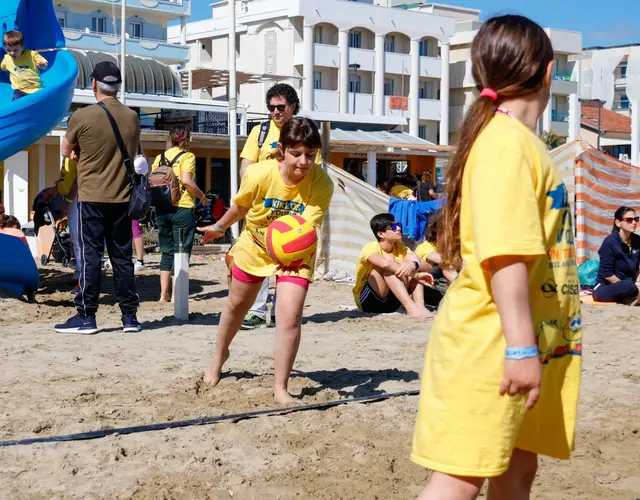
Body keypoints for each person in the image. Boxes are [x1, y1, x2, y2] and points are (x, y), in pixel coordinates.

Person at [411, 15, 582, 500]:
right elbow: (505, 254)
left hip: (526, 341)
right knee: (460, 480)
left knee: (516, 470)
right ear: (548, 73)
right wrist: (522, 348)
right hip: (494, 343)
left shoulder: (521, 144)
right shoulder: (504, 145)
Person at [197, 117, 334, 404]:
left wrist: (289, 253)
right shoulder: (259, 174)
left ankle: (280, 387)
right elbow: (241, 208)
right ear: (282, 151)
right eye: (297, 153)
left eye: (310, 155)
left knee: (289, 315)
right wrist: (219, 227)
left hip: (296, 252)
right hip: (256, 245)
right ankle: (218, 356)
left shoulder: (322, 183)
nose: (304, 161)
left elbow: (301, 231)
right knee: (236, 305)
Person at [54, 61, 142, 335]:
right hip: (123, 198)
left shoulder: (82, 116)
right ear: (118, 87)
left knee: (90, 256)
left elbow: (64, 150)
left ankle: (87, 317)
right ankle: (129, 318)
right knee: (122, 258)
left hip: (91, 197)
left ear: (94, 84)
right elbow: (135, 152)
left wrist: (80, 152)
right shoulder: (132, 116)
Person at [235, 83, 302, 330]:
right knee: (257, 258)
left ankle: (280, 312)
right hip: (261, 209)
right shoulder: (260, 132)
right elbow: (246, 167)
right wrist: (249, 194)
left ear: (292, 106)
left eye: (280, 107)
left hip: (292, 209)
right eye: (271, 107)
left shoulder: (301, 131)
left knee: (289, 260)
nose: (275, 112)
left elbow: (309, 170)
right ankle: (256, 311)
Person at [152, 126, 208, 302]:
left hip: (162, 208)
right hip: (182, 208)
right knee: (181, 251)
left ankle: (163, 295)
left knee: (166, 251)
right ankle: (177, 295)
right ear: (187, 138)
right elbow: (186, 181)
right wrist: (202, 196)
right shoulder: (188, 156)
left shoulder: (159, 158)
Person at [353, 213, 435, 318]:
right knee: (388, 260)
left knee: (411, 259)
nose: (398, 228)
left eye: (398, 225)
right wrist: (416, 275)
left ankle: (419, 305)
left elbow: (429, 267)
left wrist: (413, 265)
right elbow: (385, 264)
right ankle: (411, 308)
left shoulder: (401, 247)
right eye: (393, 227)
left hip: (394, 302)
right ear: (381, 234)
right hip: (369, 302)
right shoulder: (370, 247)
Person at [593, 206, 640, 305]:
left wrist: (638, 283)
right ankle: (631, 295)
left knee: (631, 286)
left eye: (636, 219)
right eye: (629, 220)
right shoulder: (610, 242)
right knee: (628, 287)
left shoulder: (637, 240)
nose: (634, 222)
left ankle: (631, 297)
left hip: (631, 285)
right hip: (606, 287)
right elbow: (607, 274)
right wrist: (632, 286)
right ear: (618, 223)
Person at [1, 30, 48, 101]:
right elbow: (2, 67)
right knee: (17, 104)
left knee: (38, 102)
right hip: (19, 90)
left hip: (35, 88)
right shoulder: (7, 59)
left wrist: (42, 65)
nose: (12, 53)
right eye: (8, 50)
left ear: (22, 47)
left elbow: (45, 66)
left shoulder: (31, 54)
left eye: (15, 50)